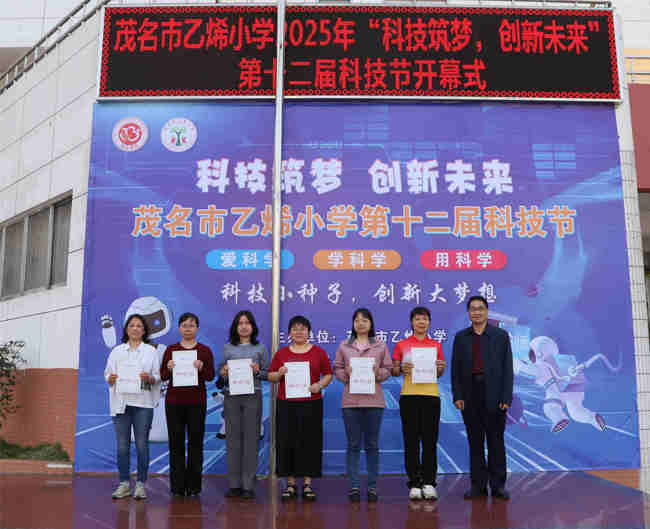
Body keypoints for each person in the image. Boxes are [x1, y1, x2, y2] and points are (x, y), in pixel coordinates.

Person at [451, 295, 514, 500]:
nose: (476, 312)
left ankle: (498, 486)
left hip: (495, 395)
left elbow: (508, 369)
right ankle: (478, 486)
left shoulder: (500, 336)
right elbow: (455, 369)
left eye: (480, 308)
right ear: (468, 313)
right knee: (475, 442)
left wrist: (506, 396)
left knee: (496, 442)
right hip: (470, 395)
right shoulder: (461, 337)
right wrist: (458, 395)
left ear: (487, 312)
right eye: (473, 309)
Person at [268, 315, 333, 502]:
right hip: (286, 403)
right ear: (289, 332)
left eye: (302, 329)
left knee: (310, 441)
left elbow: (328, 374)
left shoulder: (318, 352)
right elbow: (271, 376)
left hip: (311, 402)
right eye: (295, 329)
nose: (298, 332)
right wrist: (279, 374)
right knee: (287, 441)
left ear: (309, 332)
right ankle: (290, 484)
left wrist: (319, 385)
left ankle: (307, 484)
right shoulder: (281, 354)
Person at [333, 308, 393, 503]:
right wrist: (346, 374)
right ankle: (354, 486)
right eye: (357, 320)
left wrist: (378, 373)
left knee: (372, 445)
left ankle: (373, 487)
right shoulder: (344, 345)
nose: (360, 323)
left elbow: (388, 369)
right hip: (350, 402)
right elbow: (337, 368)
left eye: (364, 320)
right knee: (353, 445)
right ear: (353, 324)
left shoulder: (380, 345)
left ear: (371, 323)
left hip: (374, 401)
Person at [104, 314, 161, 500]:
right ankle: (124, 484)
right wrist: (110, 378)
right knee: (122, 446)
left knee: (142, 445)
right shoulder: (117, 351)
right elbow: (108, 374)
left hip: (143, 403)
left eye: (139, 326)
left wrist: (150, 378)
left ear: (144, 331)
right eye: (132, 325)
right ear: (126, 329)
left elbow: (157, 376)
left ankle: (141, 484)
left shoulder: (150, 351)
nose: (135, 328)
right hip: (121, 403)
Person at [391, 306, 446, 501]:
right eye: (417, 319)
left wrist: (440, 368)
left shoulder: (435, 345)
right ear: (412, 322)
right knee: (411, 441)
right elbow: (394, 371)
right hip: (409, 396)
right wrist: (400, 368)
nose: (421, 322)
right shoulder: (402, 345)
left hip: (431, 396)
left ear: (429, 322)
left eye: (425, 319)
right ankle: (414, 482)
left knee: (430, 441)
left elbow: (439, 373)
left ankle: (429, 482)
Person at [160, 312, 215, 496]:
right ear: (179, 328)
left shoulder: (204, 350)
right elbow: (163, 376)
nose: (188, 328)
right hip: (174, 403)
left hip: (196, 403)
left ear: (197, 328)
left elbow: (210, 376)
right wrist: (168, 368)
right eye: (184, 325)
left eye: (191, 325)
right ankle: (177, 486)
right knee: (175, 444)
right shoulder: (171, 350)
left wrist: (202, 367)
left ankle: (193, 486)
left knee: (195, 444)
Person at [217, 310, 269, 500]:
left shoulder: (260, 348)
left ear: (253, 327)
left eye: (247, 323)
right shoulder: (228, 348)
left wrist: (257, 371)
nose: (244, 326)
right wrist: (223, 372)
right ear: (235, 327)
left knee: (251, 440)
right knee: (232, 441)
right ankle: (234, 485)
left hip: (252, 396)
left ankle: (248, 485)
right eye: (240, 323)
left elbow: (267, 373)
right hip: (231, 396)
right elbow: (220, 374)